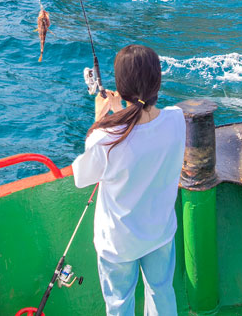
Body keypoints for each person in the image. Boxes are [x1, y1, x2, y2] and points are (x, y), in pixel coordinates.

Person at [72, 45, 185, 316]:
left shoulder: (106, 139)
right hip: (159, 233)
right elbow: (144, 125)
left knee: (120, 303)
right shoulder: (177, 120)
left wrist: (101, 118)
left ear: (121, 89)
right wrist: (122, 110)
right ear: (157, 81)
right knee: (161, 292)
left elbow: (81, 176)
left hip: (118, 244)